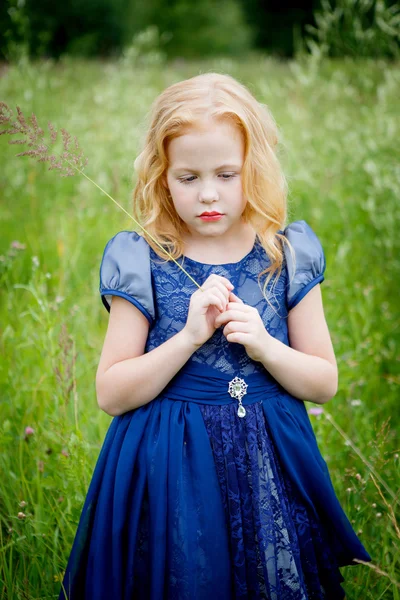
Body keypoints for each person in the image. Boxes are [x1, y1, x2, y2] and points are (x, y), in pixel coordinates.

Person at [58, 72, 371, 600]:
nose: (208, 193)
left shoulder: (285, 254)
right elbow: (110, 393)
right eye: (188, 177)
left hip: (269, 462)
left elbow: (323, 383)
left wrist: (266, 347)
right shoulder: (144, 259)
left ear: (255, 167)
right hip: (167, 465)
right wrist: (185, 338)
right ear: (161, 176)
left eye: (227, 174)